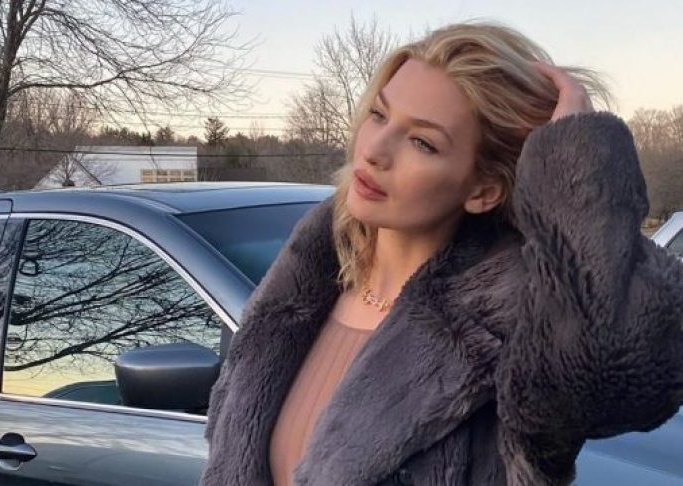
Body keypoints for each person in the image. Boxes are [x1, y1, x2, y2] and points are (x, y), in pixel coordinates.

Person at [200, 22, 683, 486]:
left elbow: (621, 371)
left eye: (422, 142)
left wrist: (575, 166)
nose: (375, 150)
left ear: (483, 191)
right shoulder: (300, 291)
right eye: (379, 114)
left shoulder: (510, 331)